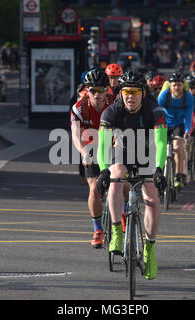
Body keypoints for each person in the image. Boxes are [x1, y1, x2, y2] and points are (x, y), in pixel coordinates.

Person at [96, 71, 167, 280]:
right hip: (123, 151)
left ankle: (149, 251)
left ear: (143, 93)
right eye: (126, 91)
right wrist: (102, 170)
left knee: (152, 199)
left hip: (148, 151)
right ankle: (117, 230)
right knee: (116, 175)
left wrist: (160, 169)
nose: (130, 96)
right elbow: (102, 145)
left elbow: (162, 142)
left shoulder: (154, 109)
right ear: (121, 93)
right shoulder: (111, 111)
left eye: (135, 92)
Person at [70, 69, 115, 249]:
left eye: (100, 90)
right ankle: (98, 229)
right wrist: (83, 152)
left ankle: (124, 215)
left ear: (107, 90)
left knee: (123, 182)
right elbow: (76, 136)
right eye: (92, 90)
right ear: (86, 91)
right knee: (95, 188)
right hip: (91, 147)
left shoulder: (115, 104)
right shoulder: (79, 108)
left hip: (112, 145)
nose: (97, 94)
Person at [157, 73, 194, 188]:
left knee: (178, 146)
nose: (176, 87)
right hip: (164, 123)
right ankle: (159, 172)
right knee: (159, 146)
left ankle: (178, 175)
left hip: (179, 124)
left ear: (183, 86)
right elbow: (156, 111)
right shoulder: (164, 96)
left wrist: (187, 131)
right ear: (170, 86)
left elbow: (188, 116)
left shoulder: (188, 97)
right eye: (174, 85)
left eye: (179, 85)